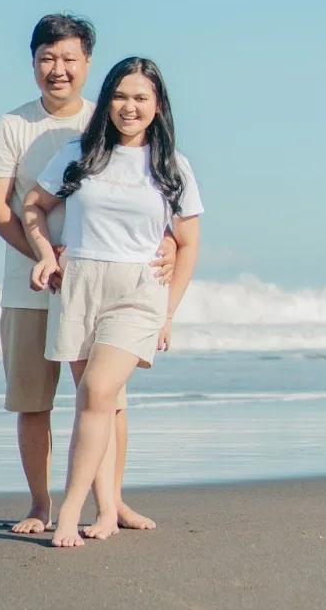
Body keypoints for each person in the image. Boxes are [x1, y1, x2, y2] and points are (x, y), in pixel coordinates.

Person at [0, 14, 175, 536]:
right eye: (47, 58)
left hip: (101, 287)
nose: (58, 70)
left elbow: (158, 202)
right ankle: (41, 504)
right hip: (31, 284)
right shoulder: (12, 125)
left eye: (69, 59)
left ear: (89, 64)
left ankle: (112, 504)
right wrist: (45, 259)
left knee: (104, 400)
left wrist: (172, 248)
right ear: (33, 63)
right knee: (32, 399)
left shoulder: (110, 120)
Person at [22, 56, 202, 548]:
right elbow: (33, 206)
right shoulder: (80, 153)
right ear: (108, 101)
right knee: (93, 403)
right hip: (79, 283)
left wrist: (168, 314)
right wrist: (45, 253)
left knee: (99, 393)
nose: (129, 106)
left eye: (141, 97)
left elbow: (188, 242)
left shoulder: (172, 166)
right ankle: (106, 511)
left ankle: (71, 512)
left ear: (157, 105)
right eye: (121, 96)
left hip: (138, 292)